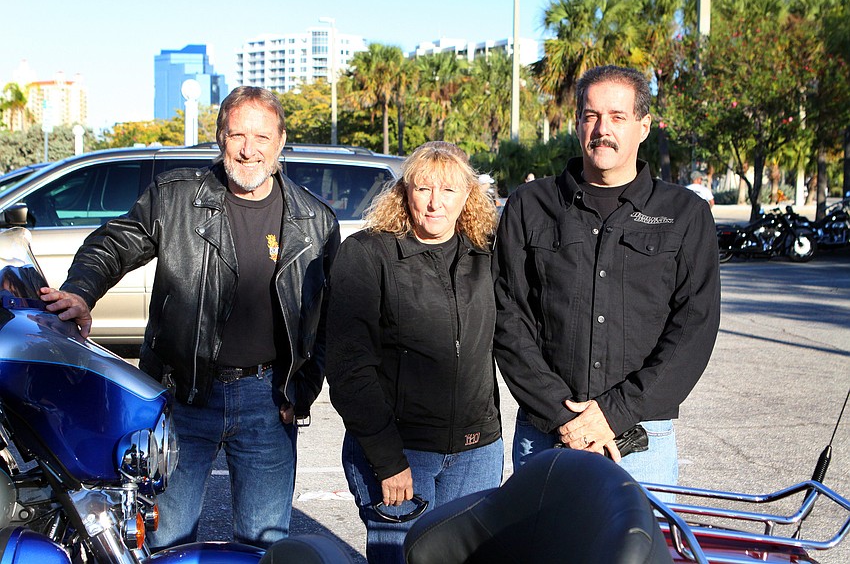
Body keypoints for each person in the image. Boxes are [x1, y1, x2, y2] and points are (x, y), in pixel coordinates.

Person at [39, 86, 340, 549]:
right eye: (236, 134)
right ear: (220, 138)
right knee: (166, 543)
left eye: (261, 136)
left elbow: (323, 320)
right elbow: (112, 244)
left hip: (268, 400)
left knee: (264, 546)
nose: (248, 148)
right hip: (184, 396)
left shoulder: (316, 221)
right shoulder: (174, 197)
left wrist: (302, 390)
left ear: (281, 142)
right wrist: (80, 292)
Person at [493, 65, 720, 487]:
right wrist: (565, 417)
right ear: (578, 123)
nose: (603, 129)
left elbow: (694, 327)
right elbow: (508, 317)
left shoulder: (685, 214)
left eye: (618, 116)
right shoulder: (529, 206)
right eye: (591, 115)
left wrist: (613, 413)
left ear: (644, 125)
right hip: (546, 437)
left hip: (640, 443)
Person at [326, 141, 503, 563]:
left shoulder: (485, 253)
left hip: (477, 452)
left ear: (468, 196)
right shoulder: (369, 253)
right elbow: (350, 369)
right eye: (423, 189)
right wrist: (387, 461)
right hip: (403, 453)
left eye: (448, 191)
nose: (434, 203)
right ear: (405, 192)